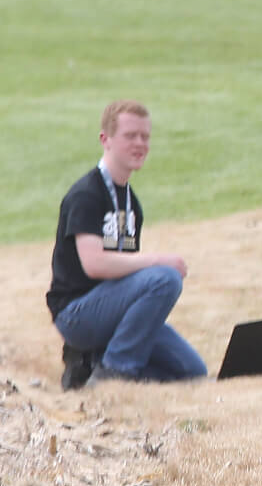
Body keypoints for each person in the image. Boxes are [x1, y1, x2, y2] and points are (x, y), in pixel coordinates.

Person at [48, 101, 208, 386]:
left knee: (192, 371)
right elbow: (95, 264)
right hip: (76, 313)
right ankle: (114, 371)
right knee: (165, 279)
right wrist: (158, 261)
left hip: (113, 309)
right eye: (130, 136)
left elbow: (124, 267)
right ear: (105, 140)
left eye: (145, 137)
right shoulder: (86, 195)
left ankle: (88, 366)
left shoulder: (130, 203)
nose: (140, 144)